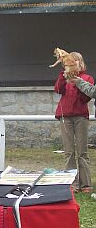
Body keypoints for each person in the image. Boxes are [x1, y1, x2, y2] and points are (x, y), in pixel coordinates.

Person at [54, 52, 93, 193]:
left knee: (82, 151)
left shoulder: (87, 78)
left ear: (80, 62)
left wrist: (77, 83)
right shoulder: (64, 75)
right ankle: (72, 183)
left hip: (81, 116)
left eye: (75, 60)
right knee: (69, 151)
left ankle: (86, 184)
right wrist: (63, 76)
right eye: (70, 60)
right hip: (65, 116)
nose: (72, 62)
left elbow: (85, 98)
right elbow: (58, 89)